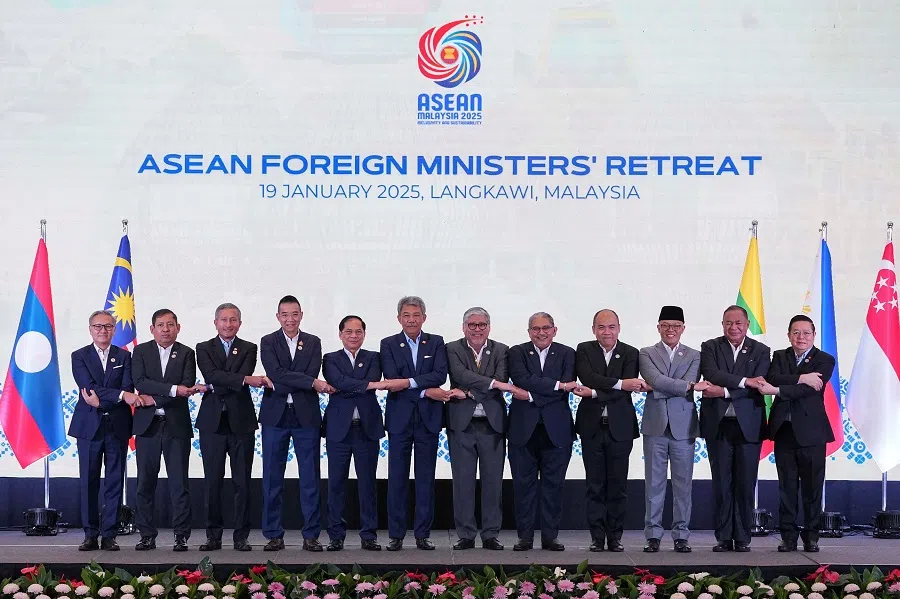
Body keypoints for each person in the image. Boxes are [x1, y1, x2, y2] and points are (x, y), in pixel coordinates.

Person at [195, 303, 271, 552]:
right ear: (215, 322)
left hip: (241, 422)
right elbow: (211, 374)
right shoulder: (203, 347)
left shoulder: (249, 347)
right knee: (212, 482)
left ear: (240, 323)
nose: (228, 324)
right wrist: (243, 380)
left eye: (233, 320)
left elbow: (221, 379)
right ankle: (213, 536)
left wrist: (225, 381)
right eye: (224, 320)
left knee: (242, 482)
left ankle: (241, 536)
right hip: (212, 423)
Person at [259, 295, 333, 552]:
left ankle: (311, 535)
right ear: (278, 317)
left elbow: (302, 374)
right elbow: (275, 373)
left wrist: (289, 381)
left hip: (306, 416)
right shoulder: (268, 341)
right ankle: (273, 534)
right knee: (272, 478)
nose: (290, 319)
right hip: (275, 416)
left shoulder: (313, 342)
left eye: (294, 314)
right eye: (285, 314)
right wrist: (310, 383)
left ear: (301, 315)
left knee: (310, 477)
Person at [757, 314, 835, 553]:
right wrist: (802, 377)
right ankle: (788, 537)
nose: (801, 337)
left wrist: (777, 390)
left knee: (812, 489)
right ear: (789, 335)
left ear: (814, 335)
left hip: (812, 433)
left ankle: (811, 537)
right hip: (784, 431)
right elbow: (772, 378)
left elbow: (809, 390)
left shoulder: (825, 359)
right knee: (787, 488)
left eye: (806, 333)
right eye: (796, 332)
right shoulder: (780, 356)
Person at [699, 304, 771, 552]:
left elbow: (758, 384)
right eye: (728, 323)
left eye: (738, 323)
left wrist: (724, 391)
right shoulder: (710, 347)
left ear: (747, 325)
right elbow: (711, 373)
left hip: (749, 426)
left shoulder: (761, 350)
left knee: (745, 483)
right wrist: (744, 381)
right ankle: (723, 537)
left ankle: (742, 537)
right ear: (722, 325)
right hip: (718, 425)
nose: (733, 327)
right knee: (721, 483)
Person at [381, 296, 448, 551]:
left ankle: (422, 534)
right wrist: (425, 390)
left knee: (425, 479)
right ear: (399, 318)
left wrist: (409, 384)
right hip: (399, 420)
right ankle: (396, 535)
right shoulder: (388, 344)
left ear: (424, 317)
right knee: (397, 479)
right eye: (406, 315)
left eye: (416, 315)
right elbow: (392, 379)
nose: (411, 320)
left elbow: (439, 375)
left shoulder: (436, 342)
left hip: (428, 420)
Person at [445, 307, 516, 551]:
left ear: (489, 327)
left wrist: (468, 393)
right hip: (461, 424)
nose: (477, 329)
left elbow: (501, 380)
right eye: (472, 325)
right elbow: (460, 374)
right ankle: (465, 534)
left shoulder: (501, 350)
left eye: (482, 325)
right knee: (462, 482)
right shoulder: (452, 348)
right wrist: (492, 384)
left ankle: (490, 534)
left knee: (493, 482)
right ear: (464, 327)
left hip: (492, 425)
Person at [69, 310, 140, 552]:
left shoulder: (124, 355)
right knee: (88, 482)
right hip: (88, 428)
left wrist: (103, 402)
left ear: (114, 330)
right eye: (98, 326)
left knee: (114, 482)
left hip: (117, 427)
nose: (103, 330)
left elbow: (128, 386)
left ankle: (109, 535)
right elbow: (88, 387)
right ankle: (90, 534)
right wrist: (120, 396)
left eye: (108, 326)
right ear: (90, 329)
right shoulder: (79, 356)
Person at [131, 308, 201, 551]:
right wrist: (172, 390)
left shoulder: (187, 353)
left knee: (179, 484)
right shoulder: (140, 351)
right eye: (160, 325)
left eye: (170, 325)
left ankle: (181, 536)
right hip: (147, 426)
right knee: (145, 483)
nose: (165, 329)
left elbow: (187, 386)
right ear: (152, 329)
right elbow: (140, 382)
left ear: (178, 328)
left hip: (176, 425)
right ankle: (146, 535)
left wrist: (154, 397)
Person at [572, 309, 641, 552]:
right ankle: (596, 537)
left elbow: (626, 388)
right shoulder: (584, 349)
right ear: (594, 329)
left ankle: (615, 537)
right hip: (591, 426)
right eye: (601, 327)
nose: (607, 332)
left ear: (619, 328)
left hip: (620, 428)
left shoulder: (631, 352)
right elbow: (588, 376)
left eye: (611, 327)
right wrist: (620, 383)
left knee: (618, 485)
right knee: (594, 485)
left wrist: (594, 393)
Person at [638, 306, 705, 553]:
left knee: (683, 485)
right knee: (653, 485)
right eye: (665, 325)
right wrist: (685, 386)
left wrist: (659, 387)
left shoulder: (695, 355)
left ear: (683, 328)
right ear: (658, 327)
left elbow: (661, 384)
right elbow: (656, 379)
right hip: (655, 425)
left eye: (676, 326)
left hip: (683, 426)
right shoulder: (646, 353)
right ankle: (653, 535)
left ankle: (681, 536)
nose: (670, 330)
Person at [507, 312, 575, 551]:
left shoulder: (568, 353)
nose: (541, 332)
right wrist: (557, 386)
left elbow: (566, 386)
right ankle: (524, 537)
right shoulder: (516, 352)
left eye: (546, 328)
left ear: (554, 330)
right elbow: (522, 378)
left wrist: (531, 396)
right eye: (536, 329)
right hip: (523, 430)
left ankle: (550, 537)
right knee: (523, 486)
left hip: (557, 430)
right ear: (529, 332)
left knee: (554, 486)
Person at [321, 315, 386, 552]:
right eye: (348, 331)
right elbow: (338, 380)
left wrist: (347, 386)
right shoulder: (330, 358)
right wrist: (364, 386)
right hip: (338, 429)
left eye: (358, 331)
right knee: (336, 484)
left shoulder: (374, 357)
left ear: (364, 334)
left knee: (367, 484)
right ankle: (335, 535)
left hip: (366, 428)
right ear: (340, 334)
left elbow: (368, 380)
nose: (353, 336)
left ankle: (369, 535)